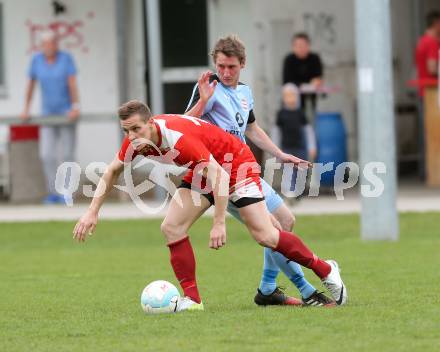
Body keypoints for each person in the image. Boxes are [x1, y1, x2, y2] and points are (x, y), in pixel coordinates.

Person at [73, 100, 348, 312]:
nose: (132, 136)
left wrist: (219, 221)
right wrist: (91, 211)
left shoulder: (177, 138)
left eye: (136, 129)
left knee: (265, 235)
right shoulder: (135, 141)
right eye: (126, 131)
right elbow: (111, 171)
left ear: (151, 123)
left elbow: (220, 175)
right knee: (171, 227)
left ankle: (325, 269)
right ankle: (192, 300)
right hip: (205, 169)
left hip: (235, 165)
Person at [184, 35, 333, 307]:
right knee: (273, 229)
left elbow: (252, 128)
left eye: (231, 67)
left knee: (286, 221)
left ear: (242, 63)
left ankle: (267, 289)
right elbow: (184, 126)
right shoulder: (206, 89)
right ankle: (308, 290)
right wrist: (203, 100)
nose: (226, 73)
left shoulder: (244, 92)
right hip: (223, 177)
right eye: (220, 66)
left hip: (246, 171)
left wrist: (280, 154)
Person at [21, 31, 80, 204]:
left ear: (56, 44)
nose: (50, 46)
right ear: (42, 45)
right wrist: (26, 108)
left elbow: (72, 83)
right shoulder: (36, 60)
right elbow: (31, 85)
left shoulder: (66, 58)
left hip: (66, 113)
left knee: (68, 153)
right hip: (47, 114)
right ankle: (53, 192)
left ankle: (68, 193)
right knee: (47, 154)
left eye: (53, 43)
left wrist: (75, 106)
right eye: (46, 43)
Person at [276, 83, 316, 197]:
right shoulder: (281, 114)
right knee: (288, 171)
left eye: (292, 95)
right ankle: (289, 192)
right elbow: (276, 132)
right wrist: (276, 149)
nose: (290, 98)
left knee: (301, 170)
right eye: (287, 96)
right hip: (286, 147)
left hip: (300, 147)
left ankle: (298, 191)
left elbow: (308, 131)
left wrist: (311, 146)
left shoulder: (300, 114)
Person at [414, 11, 440, 179]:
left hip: (424, 92)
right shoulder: (432, 43)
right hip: (433, 92)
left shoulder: (421, 42)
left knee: (426, 134)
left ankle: (426, 171)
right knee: (434, 135)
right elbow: (432, 68)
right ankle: (433, 172)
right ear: (436, 24)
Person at [282, 32, 323, 120]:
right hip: (294, 98)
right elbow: (287, 81)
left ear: (308, 46)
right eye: (298, 46)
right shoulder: (289, 60)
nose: (301, 48)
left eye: (304, 45)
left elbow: (318, 77)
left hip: (312, 97)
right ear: (293, 47)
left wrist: (316, 81)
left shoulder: (314, 58)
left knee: (313, 117)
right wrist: (302, 85)